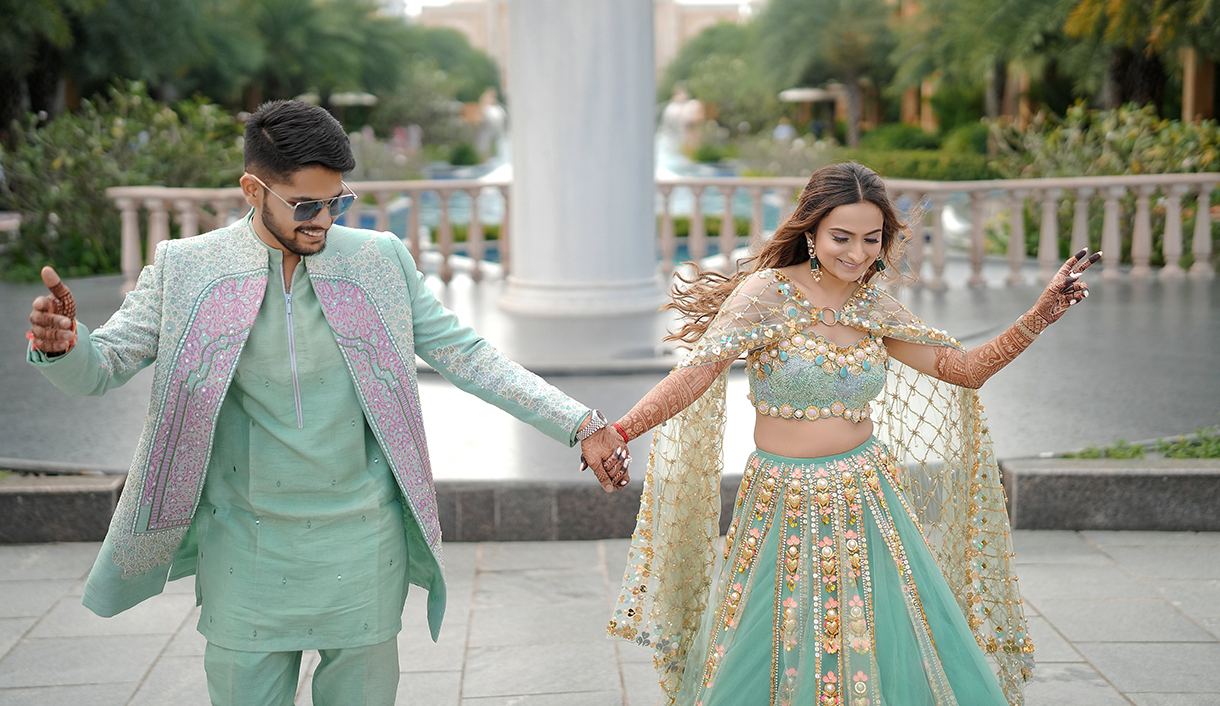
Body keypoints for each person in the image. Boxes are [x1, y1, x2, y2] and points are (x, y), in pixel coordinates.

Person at [25, 100, 628, 706]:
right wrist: (64, 348)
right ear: (252, 190)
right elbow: (100, 371)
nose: (323, 220)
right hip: (244, 546)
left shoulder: (378, 261)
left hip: (361, 542)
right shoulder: (187, 269)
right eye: (306, 206)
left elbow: (468, 356)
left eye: (337, 202)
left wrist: (579, 423)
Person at [605, 162, 1099, 706]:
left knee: (886, 639)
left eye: (871, 239)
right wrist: (621, 430)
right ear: (811, 232)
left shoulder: (870, 304)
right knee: (778, 644)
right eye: (841, 237)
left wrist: (1038, 316)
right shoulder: (765, 295)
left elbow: (964, 371)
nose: (857, 254)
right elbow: (692, 377)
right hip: (783, 502)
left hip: (867, 493)